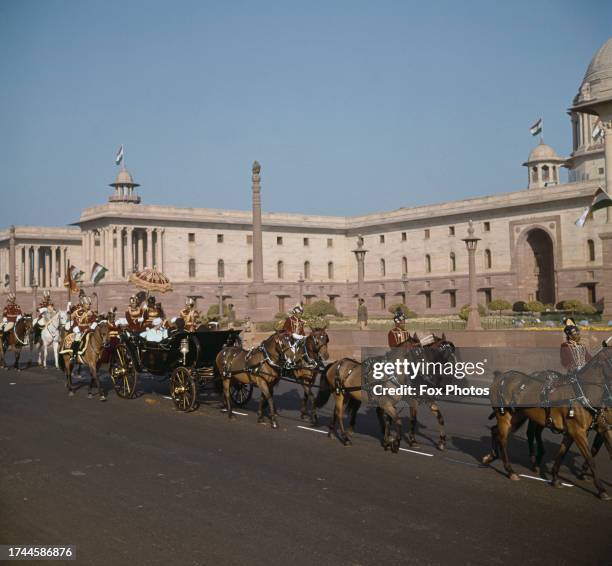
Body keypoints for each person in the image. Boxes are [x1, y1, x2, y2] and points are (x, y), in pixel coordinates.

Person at [559, 318, 592, 419]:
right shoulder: (565, 345)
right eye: (576, 334)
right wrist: (574, 367)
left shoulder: (582, 345)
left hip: (585, 370)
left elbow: (588, 358)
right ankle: (574, 406)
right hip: (574, 372)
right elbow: (564, 361)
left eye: (578, 333)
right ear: (569, 336)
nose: (578, 336)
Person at [66, 294, 97, 362]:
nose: (88, 306)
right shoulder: (77, 312)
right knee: (78, 337)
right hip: (78, 328)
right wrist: (78, 330)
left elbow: (95, 321)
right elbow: (72, 319)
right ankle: (73, 355)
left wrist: (91, 328)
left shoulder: (91, 313)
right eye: (87, 304)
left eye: (89, 304)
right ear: (83, 304)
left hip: (88, 329)